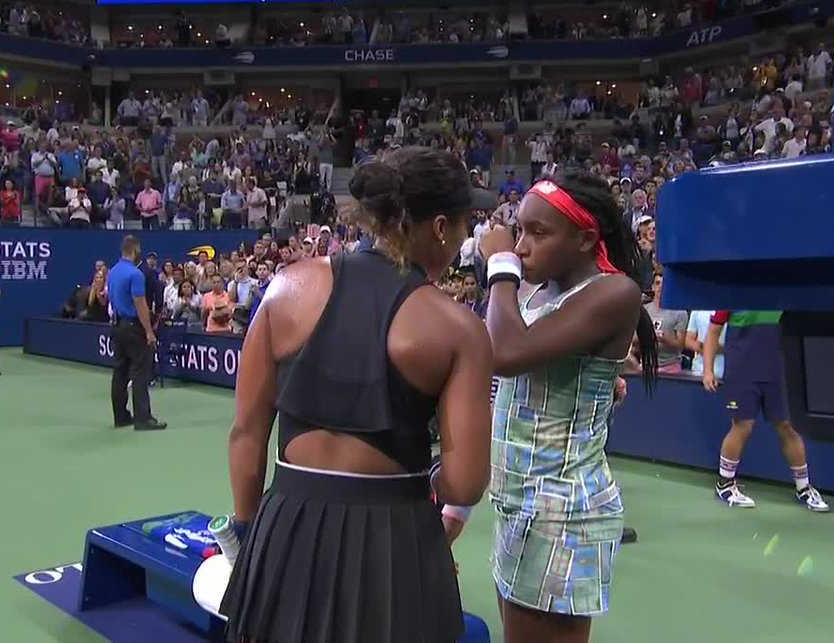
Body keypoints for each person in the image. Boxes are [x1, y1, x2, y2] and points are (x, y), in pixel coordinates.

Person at [221, 146, 497, 643]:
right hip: (394, 541)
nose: (464, 237)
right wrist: (430, 469)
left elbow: (247, 432)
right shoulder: (459, 329)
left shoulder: (287, 286)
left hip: (284, 529)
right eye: (464, 224)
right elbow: (464, 485)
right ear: (440, 227)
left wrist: (246, 533)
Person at [477, 171, 659, 643]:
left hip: (563, 513)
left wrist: (500, 266)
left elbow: (507, 352)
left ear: (585, 239)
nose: (521, 247)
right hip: (519, 504)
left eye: (538, 233)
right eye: (518, 232)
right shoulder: (537, 290)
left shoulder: (615, 291)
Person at [702, 311, 829, 511]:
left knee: (788, 426)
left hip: (778, 372)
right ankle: (725, 485)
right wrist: (707, 370)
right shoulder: (732, 294)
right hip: (741, 371)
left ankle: (804, 488)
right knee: (743, 425)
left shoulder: (782, 297)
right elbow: (713, 332)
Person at [106, 235, 167, 431]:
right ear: (135, 250)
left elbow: (111, 299)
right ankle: (143, 418)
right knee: (140, 371)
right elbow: (140, 304)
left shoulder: (112, 272)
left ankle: (121, 416)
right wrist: (149, 331)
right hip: (133, 327)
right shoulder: (135, 274)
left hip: (117, 325)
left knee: (120, 372)